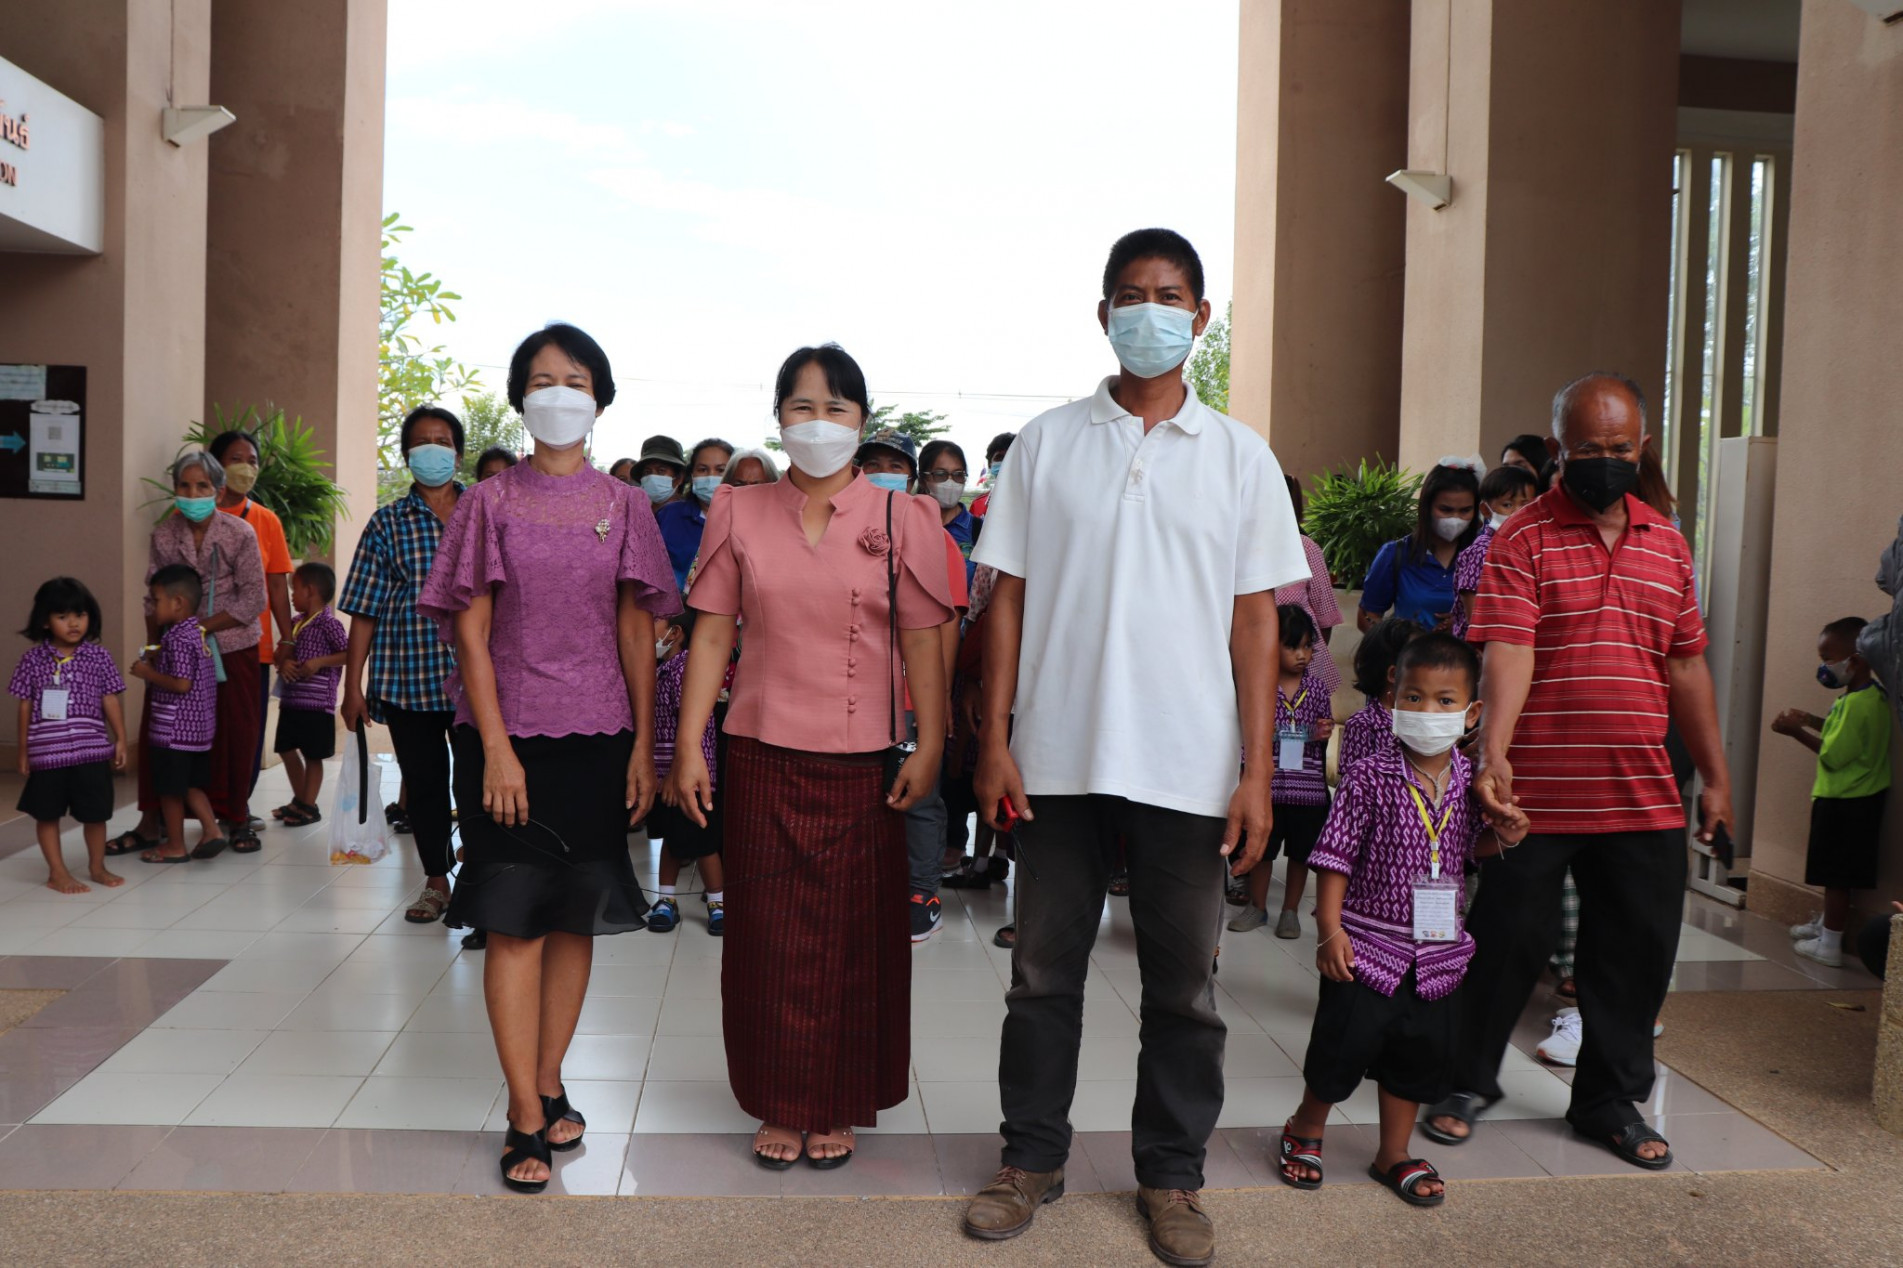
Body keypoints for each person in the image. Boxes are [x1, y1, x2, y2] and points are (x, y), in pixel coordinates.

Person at [963, 228, 1307, 1265]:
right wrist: (995, 739)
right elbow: (1005, 602)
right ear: (1102, 312)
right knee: (1040, 976)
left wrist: (1255, 768)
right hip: (1058, 757)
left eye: (1168, 296)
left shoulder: (1241, 456)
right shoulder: (1047, 442)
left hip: (1190, 766)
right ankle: (1029, 1158)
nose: (1147, 312)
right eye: (1128, 295)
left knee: (1184, 989)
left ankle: (1172, 1173)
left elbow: (1258, 625)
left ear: (1200, 317)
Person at [1426, 371, 1734, 1172]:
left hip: (1643, 794)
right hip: (1537, 793)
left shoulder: (1666, 543)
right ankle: (1464, 1082)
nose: (1606, 461)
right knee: (1505, 940)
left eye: (1620, 448)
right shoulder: (1521, 537)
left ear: (1643, 447)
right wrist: (1492, 754)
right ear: (1559, 448)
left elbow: (1688, 666)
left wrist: (1718, 779)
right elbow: (1510, 651)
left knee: (1632, 954)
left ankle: (1606, 1100)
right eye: (1589, 449)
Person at [666, 343, 952, 1171]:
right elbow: (711, 631)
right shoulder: (737, 511)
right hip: (757, 752)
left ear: (861, 422)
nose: (817, 423)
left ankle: (835, 1102)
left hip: (865, 763)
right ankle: (780, 1102)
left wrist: (930, 741)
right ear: (778, 417)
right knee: (768, 939)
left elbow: (926, 638)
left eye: (834, 408)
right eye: (801, 406)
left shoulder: (906, 519)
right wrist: (690, 744)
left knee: (853, 940)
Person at [419, 321, 680, 1194]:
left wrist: (645, 743)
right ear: (519, 396)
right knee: (513, 920)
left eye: (573, 379)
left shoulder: (626, 504)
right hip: (508, 738)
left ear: (599, 397)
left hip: (601, 739)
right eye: (540, 378)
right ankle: (523, 1117)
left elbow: (638, 628)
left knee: (575, 916)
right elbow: (470, 629)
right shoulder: (488, 503)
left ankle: (549, 1076)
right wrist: (494, 748)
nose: (557, 392)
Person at [1278, 633, 1528, 1206]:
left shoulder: (1472, 782)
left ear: (1471, 713)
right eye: (1413, 697)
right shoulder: (1368, 776)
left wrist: (1506, 836)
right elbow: (1334, 856)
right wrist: (1330, 930)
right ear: (1392, 699)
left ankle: (1393, 1151)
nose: (1427, 712)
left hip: (1438, 954)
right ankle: (1306, 1128)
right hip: (1366, 949)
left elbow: (1469, 849)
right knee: (1341, 1050)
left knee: (1416, 1058)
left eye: (1444, 702)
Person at [339, 406, 467, 926]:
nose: (433, 450)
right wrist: (354, 687)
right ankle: (437, 883)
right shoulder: (387, 522)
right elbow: (364, 611)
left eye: (442, 440)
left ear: (457, 452)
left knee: (479, 785)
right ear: (407, 454)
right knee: (426, 785)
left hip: (478, 683)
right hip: (408, 680)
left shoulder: (483, 512)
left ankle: (480, 887)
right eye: (422, 442)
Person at [106, 451, 265, 860]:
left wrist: (201, 628)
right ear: (174, 489)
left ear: (219, 491)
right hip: (175, 649)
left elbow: (254, 598)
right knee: (164, 734)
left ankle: (235, 816)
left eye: (202, 487)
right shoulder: (164, 534)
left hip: (231, 647)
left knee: (234, 733)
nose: (192, 494)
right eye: (184, 486)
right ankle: (153, 821)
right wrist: (155, 649)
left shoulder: (240, 533)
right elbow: (151, 598)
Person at [856, 427, 971, 940]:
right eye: (872, 463)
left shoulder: (933, 535)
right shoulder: (843, 524)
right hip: (855, 694)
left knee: (919, 798)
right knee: (862, 797)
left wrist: (937, 699)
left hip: (909, 697)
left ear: (912, 477)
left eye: (894, 465)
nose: (883, 474)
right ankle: (867, 891)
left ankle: (921, 894)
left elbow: (946, 623)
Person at [1773, 616, 1892, 968]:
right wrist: (1809, 719)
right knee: (1841, 872)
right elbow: (1841, 735)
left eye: (1828, 659)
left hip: (1846, 800)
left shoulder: (1858, 704)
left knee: (1836, 877)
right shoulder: (1866, 697)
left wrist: (1795, 732)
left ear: (1855, 661)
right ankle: (1828, 926)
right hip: (1857, 798)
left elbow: (1833, 754)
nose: (1823, 667)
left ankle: (1830, 944)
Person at [10, 577, 128, 893]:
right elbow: (25, 706)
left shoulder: (99, 657)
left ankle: (97, 865)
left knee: (96, 813)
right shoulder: (32, 661)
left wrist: (120, 738)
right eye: (62, 616)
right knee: (47, 814)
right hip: (47, 754)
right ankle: (57, 872)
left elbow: (110, 698)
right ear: (45, 622)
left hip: (91, 751)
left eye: (80, 614)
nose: (73, 623)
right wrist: (22, 751)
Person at [1229, 605, 1334, 939]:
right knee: (1261, 851)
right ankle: (1257, 907)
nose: (1302, 655)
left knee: (1301, 855)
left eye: (1307, 647)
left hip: (1309, 791)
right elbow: (1250, 733)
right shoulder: (1256, 687)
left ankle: (1290, 911)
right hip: (1268, 790)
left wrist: (1323, 731)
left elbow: (1322, 730)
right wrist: (1303, 733)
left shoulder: (1317, 690)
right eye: (1292, 646)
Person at [208, 428, 295, 820]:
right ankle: (201, 807)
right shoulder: (189, 515)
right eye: (236, 459)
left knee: (247, 729)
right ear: (216, 465)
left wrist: (287, 639)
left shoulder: (266, 520)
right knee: (202, 728)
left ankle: (237, 807)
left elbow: (277, 585)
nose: (246, 468)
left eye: (253, 461)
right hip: (201, 644)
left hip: (251, 646)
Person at [131, 565, 222, 864]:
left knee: (171, 791)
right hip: (197, 730)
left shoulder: (176, 638)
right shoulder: (197, 634)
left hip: (174, 731)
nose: (152, 606)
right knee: (191, 784)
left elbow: (182, 684)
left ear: (178, 602)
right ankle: (211, 830)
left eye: (156, 600)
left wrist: (147, 672)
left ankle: (175, 845)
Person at [644, 609, 726, 936]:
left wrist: (676, 773)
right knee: (673, 839)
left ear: (675, 633)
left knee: (701, 840)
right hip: (667, 774)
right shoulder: (663, 669)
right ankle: (666, 899)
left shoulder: (685, 670)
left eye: (654, 625)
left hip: (691, 773)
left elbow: (690, 726)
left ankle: (718, 903)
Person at [1356, 462, 1479, 633]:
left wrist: (1463, 623)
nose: (1455, 518)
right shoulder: (1394, 554)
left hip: (1468, 658)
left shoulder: (1485, 557)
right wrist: (1402, 642)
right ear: (1426, 507)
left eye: (1465, 510)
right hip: (1408, 657)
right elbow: (1367, 617)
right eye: (1445, 509)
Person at [270, 562, 348, 826]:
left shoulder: (329, 624)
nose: (291, 596)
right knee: (286, 749)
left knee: (314, 756)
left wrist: (319, 662)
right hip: (291, 702)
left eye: (295, 589)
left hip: (317, 705)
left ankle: (308, 806)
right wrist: (283, 662)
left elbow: (348, 654)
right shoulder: (293, 624)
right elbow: (279, 652)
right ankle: (301, 800)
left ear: (311, 590)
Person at [1274, 474, 1343, 697]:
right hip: (1256, 662)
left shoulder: (1306, 549)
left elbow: (1325, 617)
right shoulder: (1240, 548)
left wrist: (1304, 653)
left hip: (1303, 672)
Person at [1451, 465, 1538, 640]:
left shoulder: (1529, 549)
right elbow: (1473, 613)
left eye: (1525, 505)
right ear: (1485, 510)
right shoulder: (1482, 551)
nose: (1518, 512)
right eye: (1508, 505)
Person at [1336, 618, 1421, 776]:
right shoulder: (1362, 725)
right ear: (1394, 674)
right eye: (1422, 661)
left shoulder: (1426, 721)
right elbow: (1353, 784)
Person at [655, 438, 733, 590]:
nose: (711, 476)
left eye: (721, 470)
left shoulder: (747, 520)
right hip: (674, 609)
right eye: (703, 469)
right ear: (692, 475)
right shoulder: (669, 516)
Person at [919, 439, 980, 584]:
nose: (950, 482)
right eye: (941, 474)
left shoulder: (979, 531)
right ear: (923, 479)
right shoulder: (909, 525)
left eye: (958, 474)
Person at [634, 435, 689, 509]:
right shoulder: (637, 514)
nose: (652, 477)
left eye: (661, 471)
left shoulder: (693, 515)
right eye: (647, 472)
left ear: (679, 478)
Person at [970, 431, 1014, 519]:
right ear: (990, 464)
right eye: (1000, 457)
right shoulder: (978, 505)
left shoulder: (1034, 501)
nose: (1005, 462)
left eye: (1011, 457)